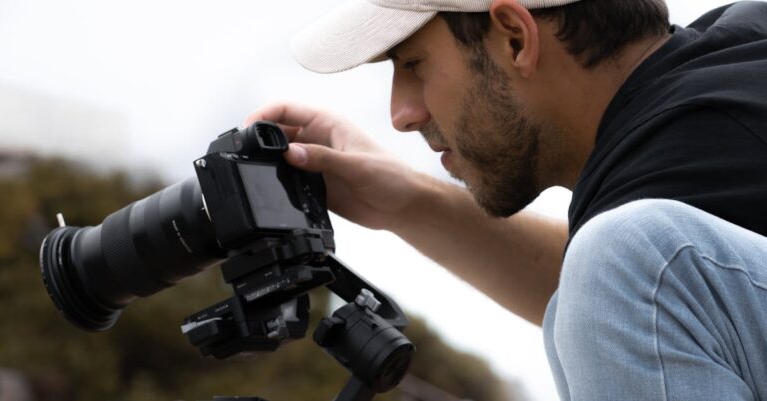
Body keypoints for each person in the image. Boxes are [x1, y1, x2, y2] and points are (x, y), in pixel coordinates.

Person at [245, 0, 767, 399]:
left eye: (413, 64)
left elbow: (633, 279)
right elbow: (638, 311)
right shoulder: (721, 88)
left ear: (516, 38)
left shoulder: (700, 141)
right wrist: (403, 203)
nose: (401, 114)